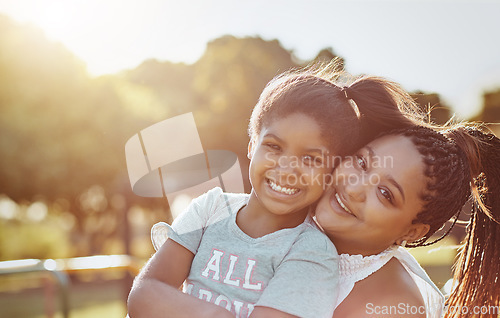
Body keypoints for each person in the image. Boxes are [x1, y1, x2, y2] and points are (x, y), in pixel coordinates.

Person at [127, 63, 422, 318]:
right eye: (273, 147)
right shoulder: (210, 208)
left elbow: (157, 299)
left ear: (331, 171)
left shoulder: (313, 252)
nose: (287, 168)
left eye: (311, 158)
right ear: (251, 146)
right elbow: (142, 295)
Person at [314, 123, 500, 318]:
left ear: (411, 233)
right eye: (362, 163)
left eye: (385, 194)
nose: (353, 189)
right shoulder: (300, 230)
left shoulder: (390, 307)